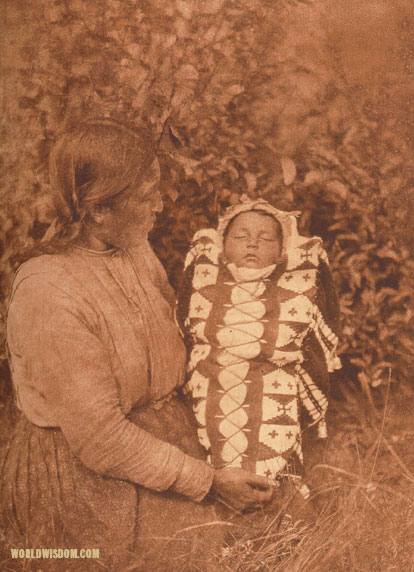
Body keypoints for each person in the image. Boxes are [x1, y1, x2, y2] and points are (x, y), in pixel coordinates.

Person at [0, 119, 274, 571]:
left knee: (273, 527)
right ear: (99, 209)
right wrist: (206, 480)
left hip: (161, 441)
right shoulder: (49, 291)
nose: (160, 207)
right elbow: (102, 438)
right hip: (88, 477)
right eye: (148, 197)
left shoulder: (132, 248)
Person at [176, 199, 341, 507]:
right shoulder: (205, 281)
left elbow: (307, 350)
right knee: (211, 446)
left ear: (281, 251)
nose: (252, 243)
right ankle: (219, 510)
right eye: (240, 236)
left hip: (272, 385)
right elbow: (189, 335)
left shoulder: (295, 287)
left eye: (266, 238)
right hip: (212, 380)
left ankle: (273, 512)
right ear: (223, 246)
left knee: (275, 457)